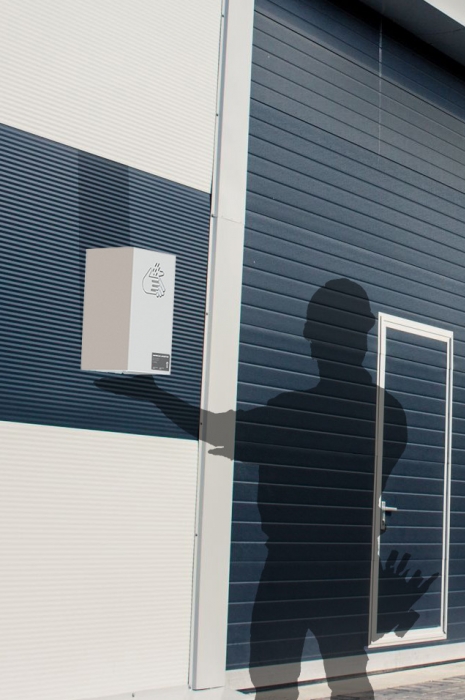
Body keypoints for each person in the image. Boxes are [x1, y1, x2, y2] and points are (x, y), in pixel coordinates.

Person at [100, 279, 436, 699]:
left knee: (275, 681)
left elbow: (219, 429)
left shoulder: (296, 413)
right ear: (363, 336)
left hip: (290, 569)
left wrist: (156, 397)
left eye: (316, 333)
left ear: (319, 338)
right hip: (347, 569)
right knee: (348, 676)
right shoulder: (390, 414)